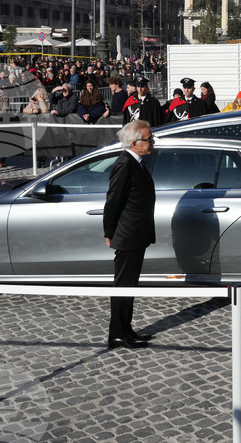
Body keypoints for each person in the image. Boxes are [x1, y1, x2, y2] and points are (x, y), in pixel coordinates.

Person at [103, 120, 156, 349]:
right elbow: (113, 201)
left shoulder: (137, 162)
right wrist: (109, 231)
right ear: (135, 143)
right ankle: (117, 333)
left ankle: (126, 328)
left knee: (130, 286)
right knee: (123, 286)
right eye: (148, 139)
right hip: (128, 235)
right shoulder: (125, 164)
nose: (152, 142)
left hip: (137, 233)